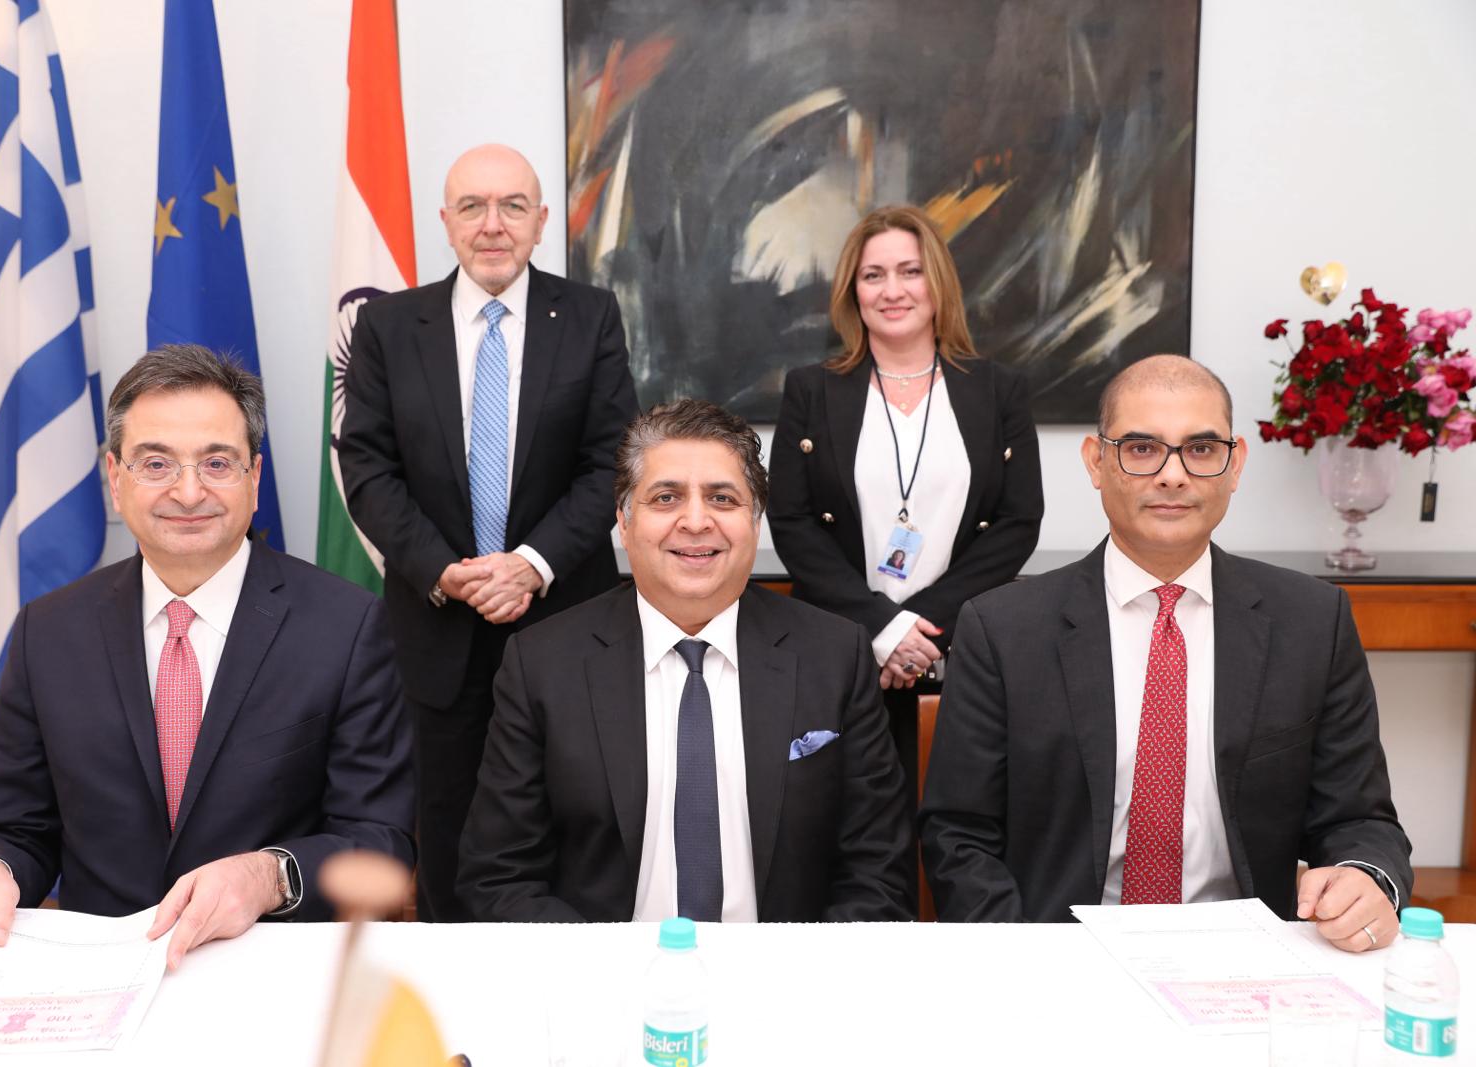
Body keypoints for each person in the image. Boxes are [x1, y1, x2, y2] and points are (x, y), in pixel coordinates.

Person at [0, 345, 414, 968]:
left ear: (254, 479)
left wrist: (271, 876)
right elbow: (14, 827)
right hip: (99, 972)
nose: (188, 492)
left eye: (217, 462)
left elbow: (381, 841)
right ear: (115, 479)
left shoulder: (346, 627)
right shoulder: (46, 632)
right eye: (156, 463)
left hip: (272, 966)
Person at [919, 355, 1412, 951]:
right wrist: (1029, 959)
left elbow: (1358, 819)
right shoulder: (1002, 629)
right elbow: (959, 834)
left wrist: (1366, 878)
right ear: (1096, 462)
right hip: (1060, 952)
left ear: (1235, 464)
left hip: (1246, 955)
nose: (1173, 475)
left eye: (1201, 449)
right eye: (1142, 448)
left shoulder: (1311, 621)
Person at [457, 400, 912, 922]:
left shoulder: (834, 656)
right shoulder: (543, 664)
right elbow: (499, 877)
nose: (696, 522)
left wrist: (795, 971)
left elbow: (879, 872)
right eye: (666, 497)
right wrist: (604, 969)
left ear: (755, 522)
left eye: (722, 498)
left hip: (785, 967)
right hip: (603, 967)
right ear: (623, 523)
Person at [338, 144, 639, 921]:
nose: (492, 224)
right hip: (438, 624)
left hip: (567, 619)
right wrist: (446, 570)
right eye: (472, 206)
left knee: (577, 819)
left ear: (542, 221)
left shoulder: (592, 316)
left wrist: (531, 563)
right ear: (446, 221)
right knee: (447, 830)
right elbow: (366, 467)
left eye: (512, 206)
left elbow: (613, 462)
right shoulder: (388, 325)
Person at [768, 204, 1043, 829]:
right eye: (873, 275)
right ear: (853, 291)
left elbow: (1018, 522)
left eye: (910, 271)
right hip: (842, 651)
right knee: (847, 828)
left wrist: (923, 629)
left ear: (937, 282)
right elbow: (792, 522)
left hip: (958, 653)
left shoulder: (998, 389)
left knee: (957, 826)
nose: (892, 290)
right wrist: (882, 629)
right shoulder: (811, 389)